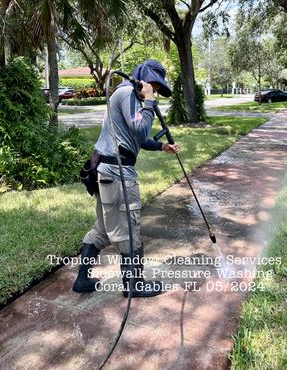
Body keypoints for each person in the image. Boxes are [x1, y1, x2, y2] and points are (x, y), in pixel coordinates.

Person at [73, 60, 179, 297]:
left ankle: (82, 280)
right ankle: (134, 285)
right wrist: (149, 100)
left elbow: (138, 139)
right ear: (142, 77)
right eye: (153, 84)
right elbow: (141, 130)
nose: (155, 90)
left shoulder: (128, 96)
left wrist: (162, 147)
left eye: (157, 88)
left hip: (107, 170)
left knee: (101, 230)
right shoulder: (127, 94)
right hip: (118, 174)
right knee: (130, 230)